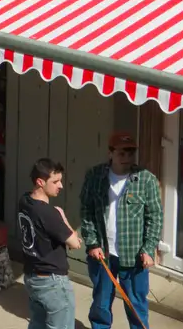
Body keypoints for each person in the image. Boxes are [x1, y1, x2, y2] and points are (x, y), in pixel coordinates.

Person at [80, 132, 162, 329]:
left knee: (136, 305)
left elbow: (155, 217)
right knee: (101, 304)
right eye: (121, 153)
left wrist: (148, 249)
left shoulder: (146, 179)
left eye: (131, 153)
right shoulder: (94, 176)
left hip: (134, 256)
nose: (127, 158)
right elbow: (86, 210)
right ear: (110, 153)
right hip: (103, 254)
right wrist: (92, 242)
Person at [18, 158, 82, 329]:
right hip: (52, 282)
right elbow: (75, 243)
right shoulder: (49, 213)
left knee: (38, 323)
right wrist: (63, 217)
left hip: (32, 277)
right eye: (55, 181)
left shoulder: (24, 201)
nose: (60, 186)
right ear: (40, 182)